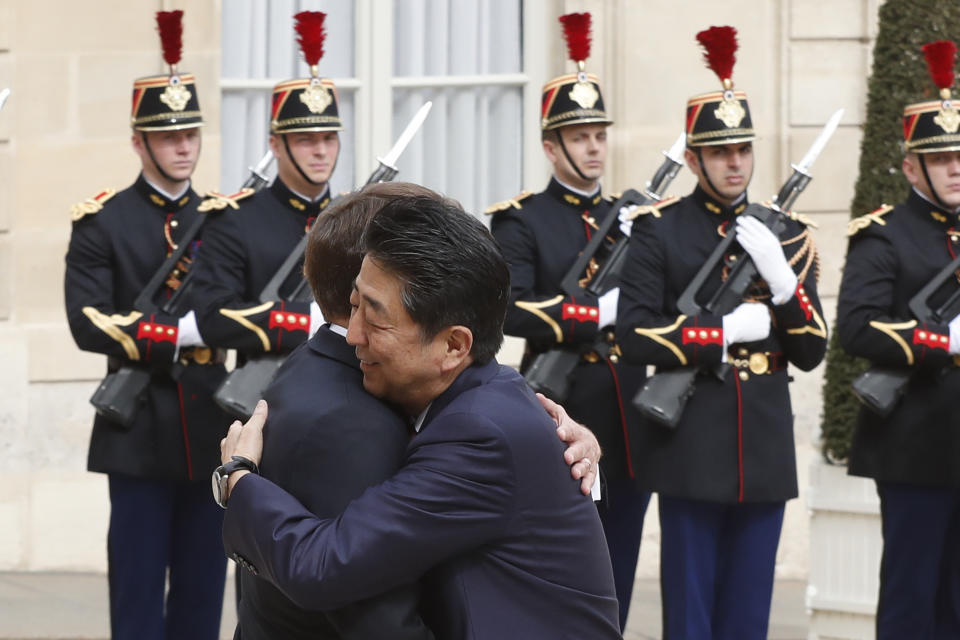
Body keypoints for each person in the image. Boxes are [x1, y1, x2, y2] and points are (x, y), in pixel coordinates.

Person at [216, 193, 621, 639]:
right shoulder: (482, 399)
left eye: (375, 318)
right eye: (353, 307)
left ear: (453, 346)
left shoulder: (480, 432)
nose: (352, 335)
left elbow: (325, 565)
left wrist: (238, 478)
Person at [615, 26, 827, 639]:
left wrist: (786, 289)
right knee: (691, 614)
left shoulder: (787, 236)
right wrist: (720, 331)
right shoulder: (660, 232)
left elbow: (811, 351)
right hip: (691, 439)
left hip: (761, 438)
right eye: (719, 151)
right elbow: (633, 336)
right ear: (693, 159)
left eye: (743, 150)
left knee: (748, 615)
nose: (735, 162)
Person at [63, 11, 228, 640]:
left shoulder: (223, 222)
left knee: (202, 598)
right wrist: (179, 335)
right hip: (137, 430)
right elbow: (86, 322)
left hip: (210, 419)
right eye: (167, 135)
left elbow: (236, 315)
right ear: (139, 141)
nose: (183, 145)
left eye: (191, 132)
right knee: (135, 599)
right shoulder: (101, 222)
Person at [487, 12, 649, 627]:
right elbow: (510, 308)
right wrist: (591, 314)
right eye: (579, 136)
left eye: (599, 135)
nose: (594, 147)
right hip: (563, 399)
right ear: (551, 146)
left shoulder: (635, 218)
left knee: (623, 555)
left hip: (628, 407)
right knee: (559, 556)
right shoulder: (522, 221)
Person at [838, 40, 960, 640]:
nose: (956, 167)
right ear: (912, 167)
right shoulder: (884, 236)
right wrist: (945, 342)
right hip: (916, 447)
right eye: (941, 159)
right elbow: (856, 326)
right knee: (913, 601)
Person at [190, 11, 340, 361]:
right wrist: (309, 320)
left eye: (329, 138)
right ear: (275, 146)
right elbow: (212, 316)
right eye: (305, 139)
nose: (321, 150)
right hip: (268, 395)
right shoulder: (236, 219)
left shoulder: (357, 216)